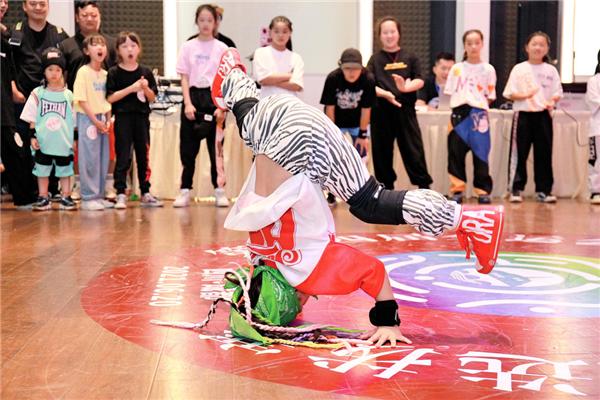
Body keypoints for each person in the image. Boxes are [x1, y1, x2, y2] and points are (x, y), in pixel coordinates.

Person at [210, 48, 505, 345]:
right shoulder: (262, 261)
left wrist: (388, 322)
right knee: (252, 129)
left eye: (298, 307)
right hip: (285, 119)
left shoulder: (312, 272)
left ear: (291, 298)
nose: (304, 306)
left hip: (298, 138)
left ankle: (470, 220)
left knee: (372, 202)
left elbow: (374, 271)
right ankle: (233, 74)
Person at [9, 0, 69, 201]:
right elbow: (7, 64)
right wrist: (13, 89)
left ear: (48, 6)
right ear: (25, 7)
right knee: (25, 147)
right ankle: (30, 193)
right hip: (23, 100)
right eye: (33, 3)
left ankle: (52, 190)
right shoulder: (14, 33)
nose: (38, 7)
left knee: (52, 144)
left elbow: (70, 64)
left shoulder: (59, 34)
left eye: (42, 3)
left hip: (52, 101)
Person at [367, 16, 432, 191]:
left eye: (392, 31)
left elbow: (420, 80)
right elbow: (369, 85)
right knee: (382, 152)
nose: (389, 35)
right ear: (379, 36)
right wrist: (386, 94)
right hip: (381, 112)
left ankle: (424, 187)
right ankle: (386, 189)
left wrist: (405, 88)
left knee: (413, 150)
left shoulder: (410, 57)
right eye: (385, 32)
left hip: (405, 111)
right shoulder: (374, 59)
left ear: (399, 33)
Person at [173, 4, 228, 208]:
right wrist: (187, 103)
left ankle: (220, 190)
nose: (205, 24)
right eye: (202, 20)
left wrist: (221, 106)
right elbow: (184, 78)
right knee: (187, 149)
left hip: (214, 99)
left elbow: (225, 79)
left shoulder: (222, 48)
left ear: (215, 23)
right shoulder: (188, 46)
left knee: (216, 149)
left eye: (210, 20)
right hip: (193, 98)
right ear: (196, 21)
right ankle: (185, 190)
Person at [504, 32, 562, 204]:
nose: (538, 47)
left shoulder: (551, 70)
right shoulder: (519, 69)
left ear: (547, 48)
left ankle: (544, 190)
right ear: (527, 47)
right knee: (519, 153)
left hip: (543, 115)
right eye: (534, 44)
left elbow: (557, 92)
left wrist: (552, 101)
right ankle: (516, 188)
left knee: (544, 153)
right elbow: (509, 93)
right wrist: (525, 95)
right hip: (523, 114)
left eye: (542, 44)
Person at [107, 31, 162, 209]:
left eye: (133, 45)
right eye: (124, 46)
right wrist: (131, 88)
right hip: (122, 118)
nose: (129, 49)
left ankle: (145, 191)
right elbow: (110, 98)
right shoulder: (114, 72)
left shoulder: (145, 71)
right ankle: (121, 192)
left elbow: (153, 97)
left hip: (141, 118)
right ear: (118, 50)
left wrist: (145, 89)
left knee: (143, 155)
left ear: (139, 49)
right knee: (123, 155)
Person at [444, 30, 497, 204]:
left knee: (481, 154)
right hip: (458, 114)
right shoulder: (456, 69)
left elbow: (490, 95)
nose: (473, 46)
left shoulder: (488, 69)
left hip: (479, 114)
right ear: (464, 45)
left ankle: (482, 191)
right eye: (469, 43)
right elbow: (450, 92)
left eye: (476, 42)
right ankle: (457, 190)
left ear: (482, 44)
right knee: (455, 154)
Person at [20, 48, 76, 211]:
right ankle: (43, 196)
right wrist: (32, 136)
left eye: (58, 70)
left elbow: (74, 120)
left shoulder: (68, 95)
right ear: (44, 71)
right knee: (42, 170)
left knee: (65, 170)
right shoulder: (38, 93)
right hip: (44, 141)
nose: (54, 73)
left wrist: (74, 139)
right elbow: (31, 118)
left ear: (62, 72)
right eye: (50, 69)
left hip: (63, 141)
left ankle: (66, 195)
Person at [320, 48, 376, 204]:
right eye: (347, 68)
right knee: (332, 158)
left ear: (362, 67)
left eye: (355, 68)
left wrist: (363, 135)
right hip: (336, 123)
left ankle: (361, 193)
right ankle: (331, 192)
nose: (352, 73)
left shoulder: (368, 79)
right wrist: (333, 134)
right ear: (341, 67)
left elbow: (366, 110)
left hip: (358, 124)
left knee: (362, 157)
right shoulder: (333, 78)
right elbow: (329, 108)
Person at [0, 0, 37, 208]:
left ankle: (25, 198)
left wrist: (14, 89)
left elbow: (10, 68)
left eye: (5, 1)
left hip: (4, 107)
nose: (3, 5)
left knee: (16, 150)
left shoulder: (6, 37)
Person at [73, 34, 112, 211]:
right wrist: (95, 121)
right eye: (95, 45)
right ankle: (88, 196)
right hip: (88, 119)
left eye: (102, 44)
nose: (100, 48)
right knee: (89, 157)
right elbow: (81, 100)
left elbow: (108, 98)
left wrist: (108, 118)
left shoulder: (106, 74)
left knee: (103, 157)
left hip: (102, 119)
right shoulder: (83, 72)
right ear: (86, 51)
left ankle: (99, 194)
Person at [59, 0, 117, 91]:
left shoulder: (112, 44)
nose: (89, 19)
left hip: (105, 101)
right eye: (84, 15)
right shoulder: (66, 45)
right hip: (76, 101)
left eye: (93, 15)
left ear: (100, 17)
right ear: (77, 18)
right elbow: (61, 78)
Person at [252, 16, 304, 99]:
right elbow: (262, 79)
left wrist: (271, 80)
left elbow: (297, 85)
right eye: (276, 31)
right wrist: (289, 75)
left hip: (291, 105)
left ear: (290, 33)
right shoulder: (260, 53)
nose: (280, 35)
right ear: (270, 32)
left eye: (285, 32)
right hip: (267, 103)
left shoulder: (296, 58)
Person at [586, 50, 600, 205]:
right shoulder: (594, 81)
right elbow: (594, 100)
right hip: (598, 127)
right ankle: (596, 190)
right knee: (597, 160)